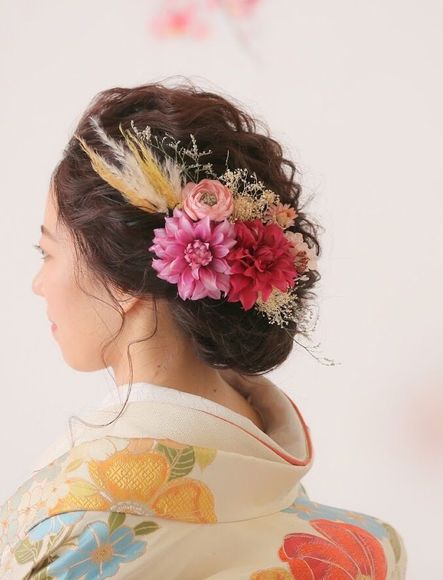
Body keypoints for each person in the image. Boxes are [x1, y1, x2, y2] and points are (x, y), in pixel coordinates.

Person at [0, 79, 407, 579]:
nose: (38, 284)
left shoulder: (69, 532)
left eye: (47, 253)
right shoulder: (365, 551)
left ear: (126, 284)